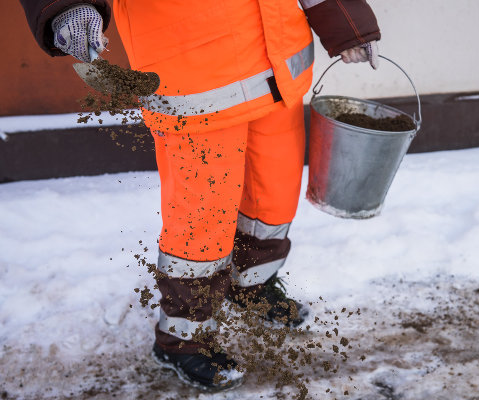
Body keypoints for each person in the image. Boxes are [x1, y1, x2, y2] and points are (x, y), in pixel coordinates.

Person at [19, 0, 381, 392]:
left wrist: (346, 22)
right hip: (193, 87)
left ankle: (253, 285)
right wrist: (67, 7)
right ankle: (182, 339)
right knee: (201, 223)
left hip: (277, 72)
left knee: (273, 197)